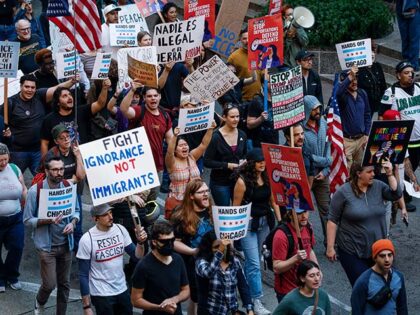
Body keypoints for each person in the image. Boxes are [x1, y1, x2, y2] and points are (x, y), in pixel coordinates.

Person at [326, 162, 402, 286]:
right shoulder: (343, 192)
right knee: (364, 287)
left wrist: (389, 173)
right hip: (352, 251)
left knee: (391, 284)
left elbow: (396, 194)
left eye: (373, 171)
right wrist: (330, 248)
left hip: (378, 251)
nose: (373, 174)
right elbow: (332, 220)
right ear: (358, 174)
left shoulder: (378, 186)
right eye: (369, 172)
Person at [23, 156, 80, 314]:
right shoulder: (36, 191)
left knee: (64, 284)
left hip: (66, 244)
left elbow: (76, 211)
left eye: (61, 169)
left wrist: (73, 223)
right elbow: (27, 220)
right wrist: (47, 220)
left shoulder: (68, 186)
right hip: (46, 247)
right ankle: (40, 302)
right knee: (49, 284)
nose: (59, 172)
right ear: (47, 171)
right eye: (55, 169)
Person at [232, 148, 280, 315]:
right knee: (253, 263)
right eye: (259, 161)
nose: (263, 163)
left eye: (264, 161)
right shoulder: (242, 182)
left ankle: (243, 287)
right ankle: (256, 301)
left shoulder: (267, 176)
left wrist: (280, 222)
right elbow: (235, 208)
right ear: (251, 163)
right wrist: (233, 234)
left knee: (255, 259)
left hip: (265, 224)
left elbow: (273, 201)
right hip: (248, 226)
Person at [0, 74, 78, 175]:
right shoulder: (10, 103)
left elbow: (56, 90)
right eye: (26, 87)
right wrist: (5, 133)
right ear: (20, 87)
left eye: (33, 87)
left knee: (42, 180)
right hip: (17, 152)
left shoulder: (39, 96)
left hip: (38, 150)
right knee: (15, 181)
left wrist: (71, 82)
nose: (30, 90)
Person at [77, 203, 147, 315]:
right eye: (105, 215)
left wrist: (140, 242)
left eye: (110, 212)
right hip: (101, 294)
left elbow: (137, 256)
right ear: (96, 218)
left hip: (122, 289)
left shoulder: (120, 229)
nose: (111, 217)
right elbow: (83, 274)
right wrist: (87, 306)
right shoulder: (86, 240)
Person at [380, 61, 420, 212]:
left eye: (412, 72)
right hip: (404, 138)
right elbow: (382, 116)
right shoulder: (390, 93)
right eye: (406, 73)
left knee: (413, 166)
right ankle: (402, 196)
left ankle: (407, 191)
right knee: (404, 167)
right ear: (398, 75)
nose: (410, 75)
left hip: (419, 137)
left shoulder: (418, 88)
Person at [170, 178, 214, 315]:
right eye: (201, 192)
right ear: (191, 196)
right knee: (197, 298)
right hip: (193, 263)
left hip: (213, 260)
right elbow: (174, 242)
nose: (206, 194)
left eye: (207, 191)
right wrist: (193, 251)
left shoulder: (213, 210)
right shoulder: (181, 215)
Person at [131, 220, 190, 315]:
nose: (170, 244)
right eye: (165, 241)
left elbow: (186, 290)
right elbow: (136, 300)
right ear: (154, 242)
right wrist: (160, 308)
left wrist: (175, 299)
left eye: (172, 240)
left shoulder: (178, 259)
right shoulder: (143, 266)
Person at [40, 82, 110, 156]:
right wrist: (45, 163)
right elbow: (44, 143)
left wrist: (105, 88)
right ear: (58, 102)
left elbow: (100, 104)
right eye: (64, 96)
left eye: (70, 95)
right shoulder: (49, 119)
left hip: (84, 156)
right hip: (62, 160)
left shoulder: (81, 111)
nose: (69, 97)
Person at [120, 83, 173, 179]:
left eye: (155, 95)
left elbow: (170, 140)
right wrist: (132, 90)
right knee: (139, 195)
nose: (153, 98)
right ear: (144, 98)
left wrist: (174, 159)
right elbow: (124, 109)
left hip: (157, 166)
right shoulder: (139, 111)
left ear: (160, 97)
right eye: (149, 96)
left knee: (154, 194)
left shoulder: (165, 115)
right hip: (138, 167)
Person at [195, 232, 254, 315]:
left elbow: (243, 286)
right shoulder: (201, 262)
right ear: (208, 248)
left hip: (232, 312)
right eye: (216, 247)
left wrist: (249, 309)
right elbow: (208, 273)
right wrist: (219, 253)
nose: (222, 249)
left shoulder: (234, 261)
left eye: (223, 246)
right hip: (210, 312)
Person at [165, 123, 215, 217]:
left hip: (196, 201)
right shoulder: (171, 162)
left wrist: (210, 129)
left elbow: (204, 144)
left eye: (186, 144)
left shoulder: (192, 157)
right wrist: (175, 136)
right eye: (181, 146)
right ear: (175, 149)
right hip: (180, 203)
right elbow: (169, 152)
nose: (184, 147)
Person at [204, 104, 248, 206]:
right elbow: (207, 161)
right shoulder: (215, 137)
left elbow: (244, 155)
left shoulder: (242, 135)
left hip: (238, 181)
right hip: (220, 183)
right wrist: (227, 165)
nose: (236, 120)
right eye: (232, 117)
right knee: (225, 213)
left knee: (237, 211)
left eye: (237, 116)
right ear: (224, 117)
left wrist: (244, 162)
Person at [351, 239, 408, 315]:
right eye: (382, 256)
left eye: (389, 255)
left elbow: (402, 307)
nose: (387, 259)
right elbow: (356, 311)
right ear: (375, 258)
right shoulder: (364, 281)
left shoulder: (399, 277)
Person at [302, 95, 331, 247]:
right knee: (302, 211)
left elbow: (328, 146)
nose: (318, 111)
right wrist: (325, 161)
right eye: (314, 109)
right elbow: (304, 155)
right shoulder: (300, 129)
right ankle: (302, 243)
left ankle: (330, 243)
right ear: (307, 110)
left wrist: (326, 169)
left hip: (322, 175)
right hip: (306, 174)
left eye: (319, 108)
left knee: (326, 210)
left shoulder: (324, 124)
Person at [272, 208, 317, 302]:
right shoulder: (281, 235)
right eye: (299, 213)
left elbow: (310, 250)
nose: (304, 216)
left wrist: (317, 270)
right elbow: (276, 267)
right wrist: (296, 258)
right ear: (290, 215)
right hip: (288, 292)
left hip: (306, 286)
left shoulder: (308, 227)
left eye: (305, 211)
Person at [0, 143, 27, 292]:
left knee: (17, 247)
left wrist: (27, 201)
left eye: (5, 159)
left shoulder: (15, 169)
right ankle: (0, 278)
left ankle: (12, 275)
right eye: (0, 160)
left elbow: (23, 188)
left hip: (15, 218)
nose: (3, 163)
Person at [337, 65, 371, 169]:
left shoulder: (362, 93)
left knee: (360, 170)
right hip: (347, 141)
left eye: (356, 78)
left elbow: (367, 114)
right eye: (352, 79)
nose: (355, 81)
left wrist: (367, 133)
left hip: (361, 139)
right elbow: (337, 93)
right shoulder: (342, 96)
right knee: (347, 173)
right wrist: (349, 77)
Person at [227, 30, 262, 101]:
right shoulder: (233, 57)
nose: (247, 41)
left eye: (249, 38)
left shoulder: (259, 53)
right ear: (240, 40)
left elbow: (263, 74)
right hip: (242, 100)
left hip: (258, 98)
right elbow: (229, 79)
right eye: (244, 38)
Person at [357, 47, 387, 116]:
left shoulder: (377, 66)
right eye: (369, 52)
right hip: (363, 104)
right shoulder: (358, 69)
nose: (372, 54)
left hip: (375, 103)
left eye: (373, 51)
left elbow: (383, 85)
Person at [396, 0, 420, 71]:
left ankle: (413, 64)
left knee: (414, 39)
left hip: (414, 10)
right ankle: (406, 60)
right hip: (401, 10)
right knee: (405, 38)